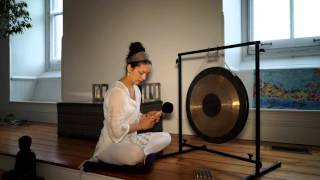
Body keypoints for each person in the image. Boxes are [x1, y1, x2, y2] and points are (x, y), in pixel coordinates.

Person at [90, 42, 171, 167]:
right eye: (141, 72)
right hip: (111, 145)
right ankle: (141, 155)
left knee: (166, 137)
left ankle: (142, 154)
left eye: (147, 74)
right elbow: (116, 132)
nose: (144, 77)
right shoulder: (116, 93)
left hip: (131, 139)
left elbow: (133, 116)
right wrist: (141, 126)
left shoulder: (137, 90)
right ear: (130, 68)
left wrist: (145, 116)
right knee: (135, 154)